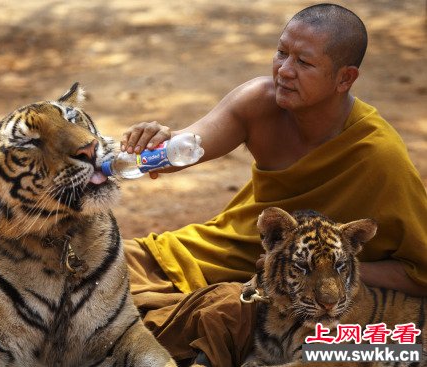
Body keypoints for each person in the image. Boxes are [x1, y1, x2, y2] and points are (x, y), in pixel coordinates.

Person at [120, 3, 427, 367]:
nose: (284, 70)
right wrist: (158, 141)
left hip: (274, 294)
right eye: (281, 52)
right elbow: (187, 147)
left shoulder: (379, 155)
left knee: (224, 316)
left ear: (345, 78)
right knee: (95, 263)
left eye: (304, 63)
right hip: (200, 255)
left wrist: (321, 267)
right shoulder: (259, 103)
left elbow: (419, 275)